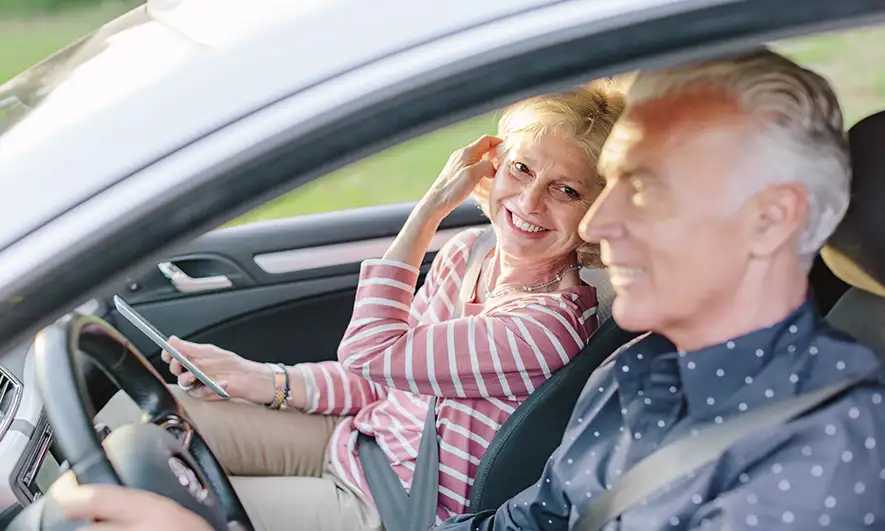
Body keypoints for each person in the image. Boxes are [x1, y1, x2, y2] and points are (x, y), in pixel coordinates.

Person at [68, 83, 625, 530]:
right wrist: (264, 380)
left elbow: (371, 351)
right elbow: (382, 381)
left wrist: (431, 207)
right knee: (135, 424)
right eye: (522, 169)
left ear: (596, 211)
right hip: (358, 440)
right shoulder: (469, 253)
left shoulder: (542, 328)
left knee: (141, 496)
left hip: (393, 507)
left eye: (566, 191)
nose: (529, 200)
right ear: (493, 165)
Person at [436, 49, 885, 530]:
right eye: (611, 182)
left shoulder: (828, 456)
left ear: (770, 220)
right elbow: (533, 521)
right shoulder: (637, 366)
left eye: (645, 188)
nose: (596, 224)